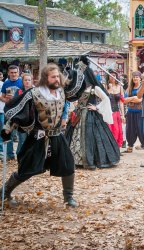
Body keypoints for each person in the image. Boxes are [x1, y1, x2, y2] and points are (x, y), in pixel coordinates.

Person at [0, 61, 88, 208]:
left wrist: (82, 66)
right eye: (53, 77)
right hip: (38, 137)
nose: (57, 80)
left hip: (57, 135)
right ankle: (5, 192)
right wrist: (7, 129)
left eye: (58, 77)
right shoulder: (34, 93)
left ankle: (68, 197)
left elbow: (77, 85)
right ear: (45, 78)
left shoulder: (62, 92)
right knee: (27, 169)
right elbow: (17, 111)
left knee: (67, 164)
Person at [66, 63, 120, 170]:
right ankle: (75, 159)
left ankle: (91, 160)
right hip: (78, 115)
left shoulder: (94, 88)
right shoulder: (78, 88)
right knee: (74, 136)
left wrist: (97, 107)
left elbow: (106, 98)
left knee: (91, 137)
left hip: (90, 115)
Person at [0, 65, 23, 160]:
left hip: (21, 112)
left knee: (21, 135)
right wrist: (7, 100)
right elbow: (2, 96)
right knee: (8, 133)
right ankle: (10, 155)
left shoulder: (22, 82)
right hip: (9, 112)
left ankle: (20, 154)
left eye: (15, 72)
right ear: (8, 73)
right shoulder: (6, 83)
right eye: (11, 72)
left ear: (18, 73)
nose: (13, 74)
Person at [123, 71, 144, 153]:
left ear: (140, 78)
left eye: (137, 77)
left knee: (141, 129)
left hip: (140, 112)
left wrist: (130, 99)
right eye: (134, 77)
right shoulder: (129, 88)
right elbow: (124, 100)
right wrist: (134, 98)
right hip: (130, 112)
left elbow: (140, 99)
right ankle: (130, 146)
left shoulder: (142, 88)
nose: (135, 78)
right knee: (129, 130)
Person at [15, 73, 34, 154]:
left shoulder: (35, 91)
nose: (27, 82)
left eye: (29, 80)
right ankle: (20, 156)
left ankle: (28, 157)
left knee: (31, 140)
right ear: (22, 81)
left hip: (33, 120)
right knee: (22, 140)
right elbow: (15, 104)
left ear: (31, 81)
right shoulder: (19, 91)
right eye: (25, 80)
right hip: (22, 120)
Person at [105, 70, 125, 148]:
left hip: (116, 112)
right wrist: (109, 89)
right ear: (108, 77)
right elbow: (104, 99)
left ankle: (116, 149)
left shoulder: (120, 87)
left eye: (114, 75)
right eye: (110, 75)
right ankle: (110, 148)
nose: (112, 77)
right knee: (109, 130)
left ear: (116, 77)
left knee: (117, 130)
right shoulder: (105, 86)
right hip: (108, 112)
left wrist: (123, 115)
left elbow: (121, 102)